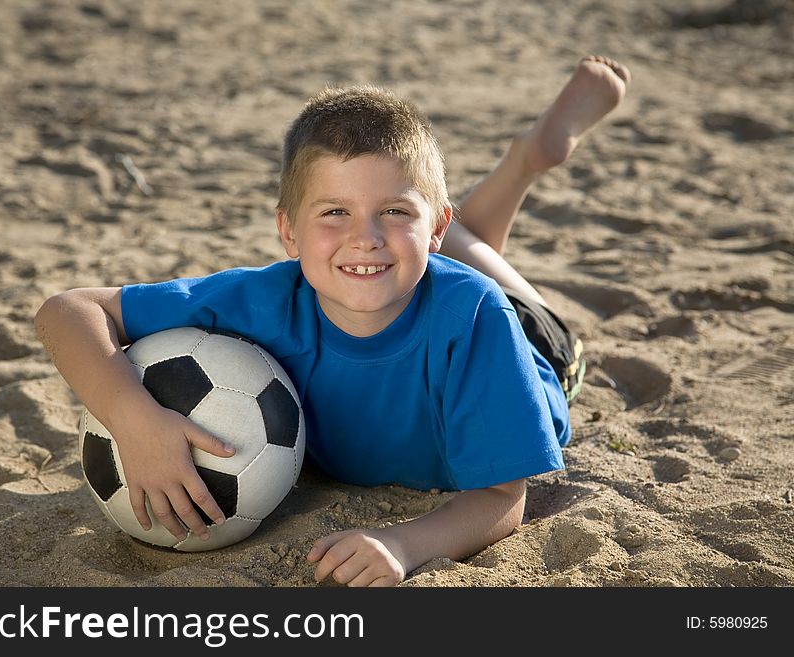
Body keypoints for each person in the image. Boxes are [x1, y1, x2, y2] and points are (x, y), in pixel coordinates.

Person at [35, 56, 630, 587]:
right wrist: (136, 421)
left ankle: (526, 160)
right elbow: (68, 311)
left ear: (432, 223)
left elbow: (503, 498)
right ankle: (464, 212)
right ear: (288, 231)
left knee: (471, 276)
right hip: (430, 271)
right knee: (406, 259)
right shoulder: (261, 300)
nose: (362, 236)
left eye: (392, 209)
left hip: (530, 345)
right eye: (334, 212)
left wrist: (402, 543)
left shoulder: (478, 319)